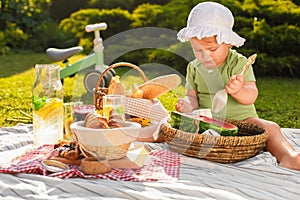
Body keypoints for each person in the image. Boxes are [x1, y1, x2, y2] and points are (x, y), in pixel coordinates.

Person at [175, 1, 300, 170]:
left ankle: (288, 156)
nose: (205, 56)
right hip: (208, 124)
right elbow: (192, 96)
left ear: (228, 43)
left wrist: (240, 90)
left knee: (270, 127)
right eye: (198, 50)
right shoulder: (194, 67)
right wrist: (188, 104)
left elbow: (251, 96)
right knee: (172, 128)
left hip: (244, 121)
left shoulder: (238, 63)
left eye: (212, 49)